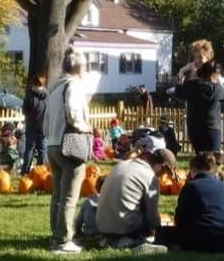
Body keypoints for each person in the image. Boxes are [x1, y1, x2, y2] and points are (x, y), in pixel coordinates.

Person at [45, 50, 94, 254]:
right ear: (78, 67)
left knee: (57, 194)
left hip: (53, 144)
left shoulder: (54, 88)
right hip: (70, 143)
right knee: (69, 196)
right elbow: (73, 113)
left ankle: (56, 234)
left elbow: (46, 121)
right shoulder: (73, 85)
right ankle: (63, 240)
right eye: (84, 66)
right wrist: (85, 127)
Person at [96, 138, 176, 251]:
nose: (163, 177)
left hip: (102, 225)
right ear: (162, 166)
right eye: (165, 173)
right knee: (148, 216)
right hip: (124, 227)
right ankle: (131, 242)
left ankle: (111, 239)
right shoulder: (150, 177)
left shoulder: (123, 164)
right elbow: (152, 219)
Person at [155, 152, 224, 253]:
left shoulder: (191, 187)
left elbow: (180, 219)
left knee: (162, 232)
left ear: (193, 169)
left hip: (201, 240)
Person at [180, 62, 224, 154]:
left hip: (194, 128)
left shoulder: (192, 86)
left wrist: (188, 76)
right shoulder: (218, 89)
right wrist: (220, 82)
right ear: (214, 75)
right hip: (212, 128)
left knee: (200, 158)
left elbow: (178, 92)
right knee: (213, 160)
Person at [22, 75, 49, 175]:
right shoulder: (47, 97)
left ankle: (25, 171)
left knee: (29, 150)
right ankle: (41, 172)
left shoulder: (29, 97)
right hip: (43, 127)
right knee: (43, 150)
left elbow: (24, 111)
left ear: (33, 84)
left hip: (31, 127)